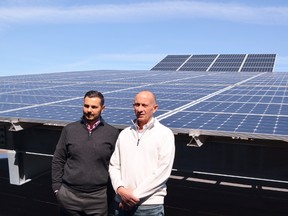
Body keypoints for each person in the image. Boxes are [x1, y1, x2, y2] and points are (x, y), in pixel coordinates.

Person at [52, 90, 119, 216]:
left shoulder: (112, 133)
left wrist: (111, 194)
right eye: (86, 106)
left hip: (98, 199)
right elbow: (58, 159)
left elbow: (116, 165)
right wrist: (57, 188)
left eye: (94, 107)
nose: (89, 110)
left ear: (102, 109)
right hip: (69, 196)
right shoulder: (70, 130)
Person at [109, 90, 175, 216]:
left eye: (144, 105)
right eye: (137, 105)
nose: (139, 109)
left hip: (149, 207)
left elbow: (162, 172)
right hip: (121, 204)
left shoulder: (164, 134)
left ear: (155, 108)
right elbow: (114, 165)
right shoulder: (125, 134)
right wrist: (120, 190)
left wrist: (132, 198)